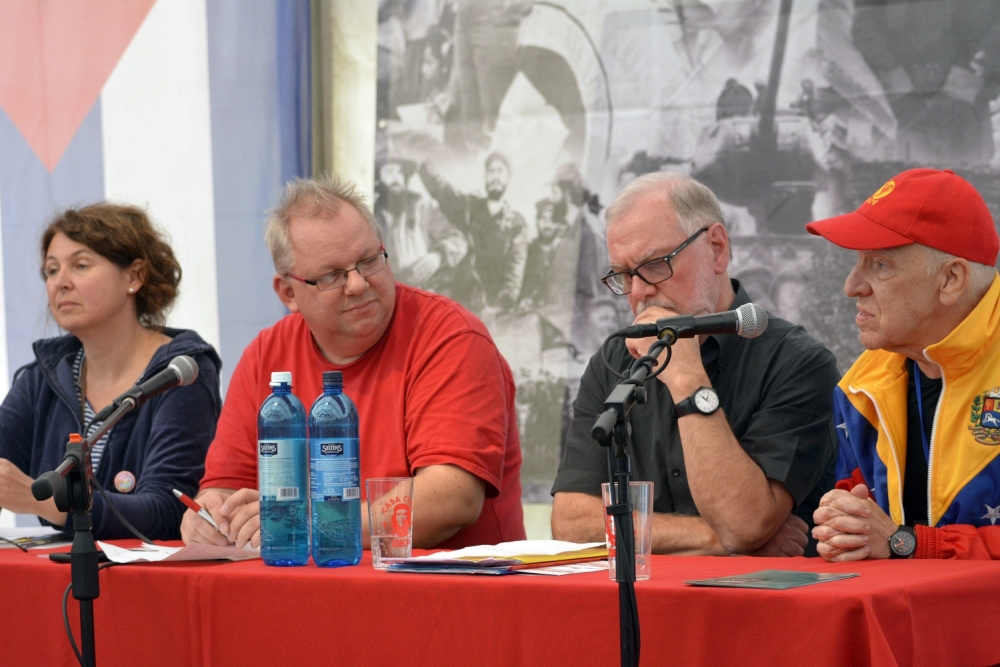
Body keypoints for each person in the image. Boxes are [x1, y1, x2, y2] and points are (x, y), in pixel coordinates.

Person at [182, 175, 525, 550]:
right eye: (331, 276)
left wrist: (308, 525)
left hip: (448, 595)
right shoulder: (265, 355)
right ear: (288, 292)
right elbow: (225, 488)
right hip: (309, 593)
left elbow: (449, 501)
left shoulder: (450, 337)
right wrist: (211, 517)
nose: (358, 284)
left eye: (369, 261)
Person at [551, 172, 839, 557]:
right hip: (644, 605)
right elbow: (571, 523)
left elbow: (745, 522)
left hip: (759, 608)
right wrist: (712, 537)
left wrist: (687, 378)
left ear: (717, 248)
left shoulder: (796, 362)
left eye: (655, 264)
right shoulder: (614, 359)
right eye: (622, 274)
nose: (638, 292)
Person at [806, 168, 1000, 560]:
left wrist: (908, 544)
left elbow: (892, 541)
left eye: (879, 265)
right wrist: (842, 527)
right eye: (859, 262)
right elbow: (861, 526)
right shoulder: (861, 388)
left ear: (951, 280)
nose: (851, 286)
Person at [0, 204, 222, 539]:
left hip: (153, 584)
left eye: (81, 266)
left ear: (134, 276)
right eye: (51, 270)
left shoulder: (181, 373)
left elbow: (168, 509)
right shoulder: (42, 378)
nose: (60, 283)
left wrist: (42, 501)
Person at [419, 152, 528, 315]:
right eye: (491, 171)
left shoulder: (516, 224)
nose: (495, 177)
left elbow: (515, 268)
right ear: (486, 177)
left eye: (500, 171)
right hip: (460, 298)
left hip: (490, 308)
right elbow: (445, 193)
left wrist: (500, 307)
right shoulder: (470, 207)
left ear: (508, 178)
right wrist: (424, 168)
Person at [374, 157, 468, 297]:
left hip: (423, 294)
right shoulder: (369, 216)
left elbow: (458, 240)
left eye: (400, 173)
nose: (396, 178)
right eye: (390, 172)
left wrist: (438, 256)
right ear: (378, 179)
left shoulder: (421, 207)